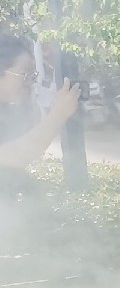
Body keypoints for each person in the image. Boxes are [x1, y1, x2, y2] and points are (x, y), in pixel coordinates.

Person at [0, 35, 78, 181]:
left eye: (33, 75)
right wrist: (59, 114)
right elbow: (13, 156)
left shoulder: (6, 111)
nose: (30, 82)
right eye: (24, 74)